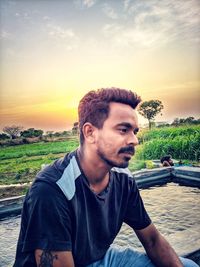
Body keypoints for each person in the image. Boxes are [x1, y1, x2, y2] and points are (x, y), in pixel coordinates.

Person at [13, 88, 198, 267]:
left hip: (100, 260)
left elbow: (152, 239)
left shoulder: (123, 180)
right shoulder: (52, 189)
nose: (134, 140)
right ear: (90, 132)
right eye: (123, 130)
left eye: (135, 131)